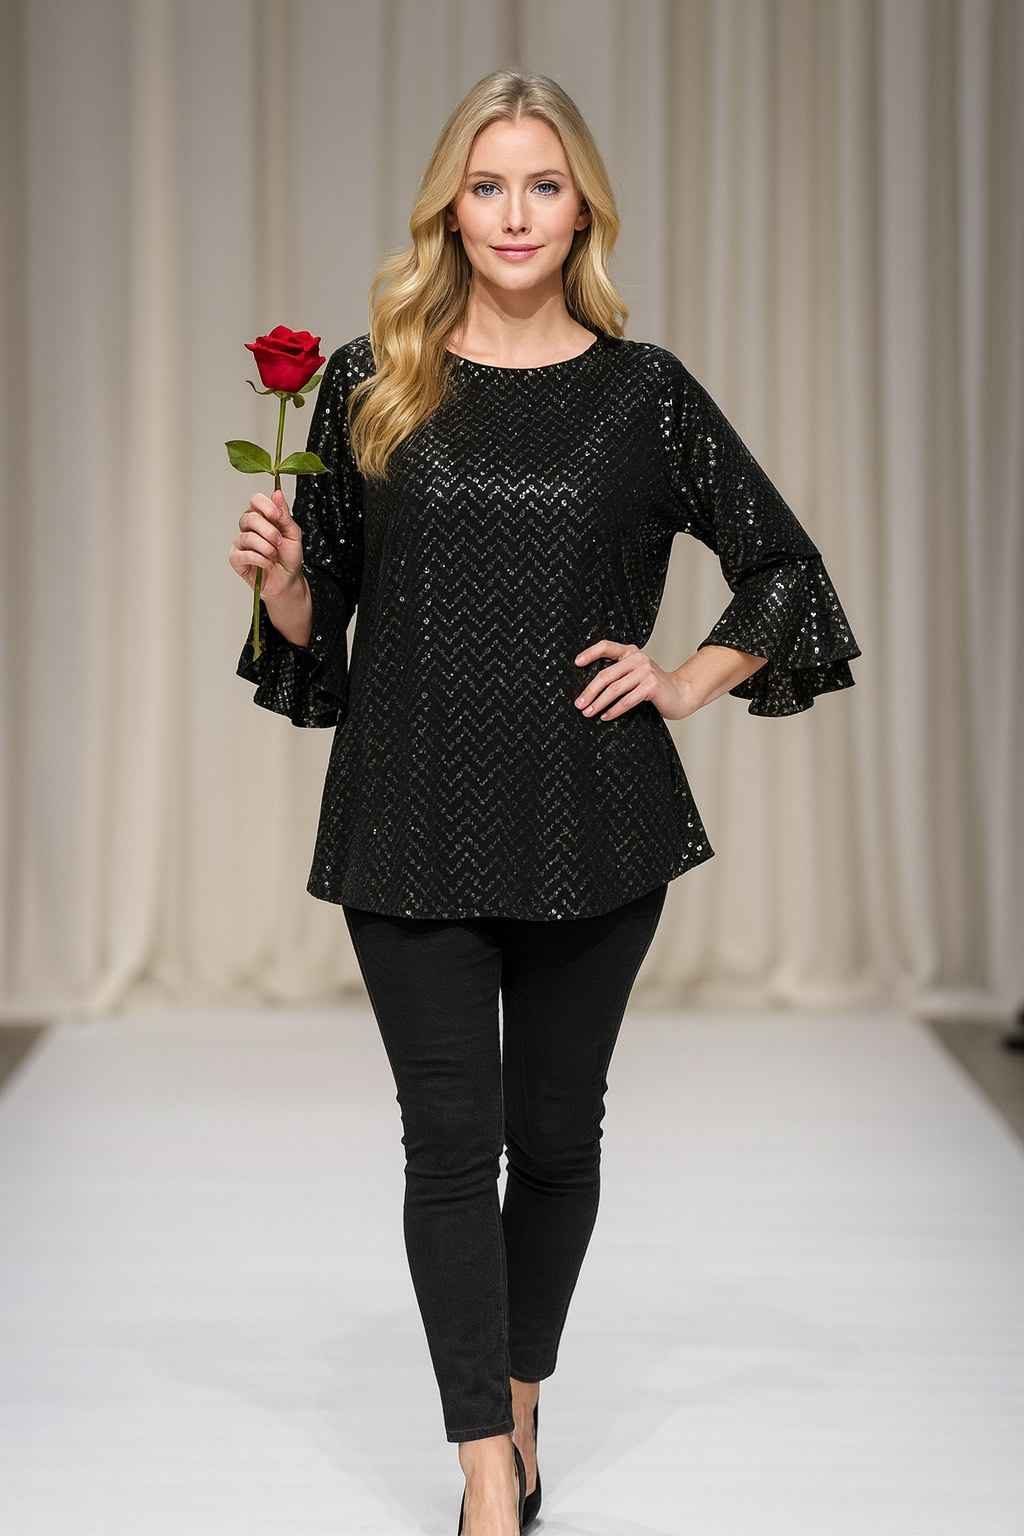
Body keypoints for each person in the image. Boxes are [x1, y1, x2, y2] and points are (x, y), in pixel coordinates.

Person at [229, 69, 861, 1536]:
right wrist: (284, 583)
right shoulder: (373, 380)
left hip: (591, 819)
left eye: (543, 184)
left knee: (558, 1142)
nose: (514, 213)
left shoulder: (644, 394)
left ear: (583, 210)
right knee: (449, 1148)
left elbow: (785, 567)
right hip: (410, 817)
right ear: (450, 207)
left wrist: (685, 679)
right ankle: (483, 1478)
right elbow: (322, 627)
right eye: (488, 184)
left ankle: (519, 1404)